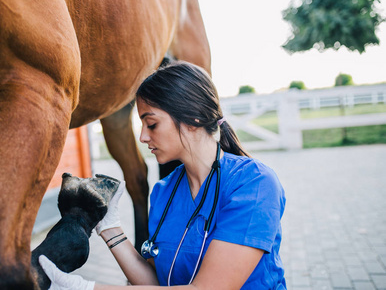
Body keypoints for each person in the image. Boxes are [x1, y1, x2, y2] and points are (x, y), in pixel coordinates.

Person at [39, 61, 287, 289]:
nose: (143, 137)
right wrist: (110, 228)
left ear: (193, 118)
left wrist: (88, 288)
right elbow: (156, 283)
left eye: (152, 124)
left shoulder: (254, 184)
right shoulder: (164, 191)